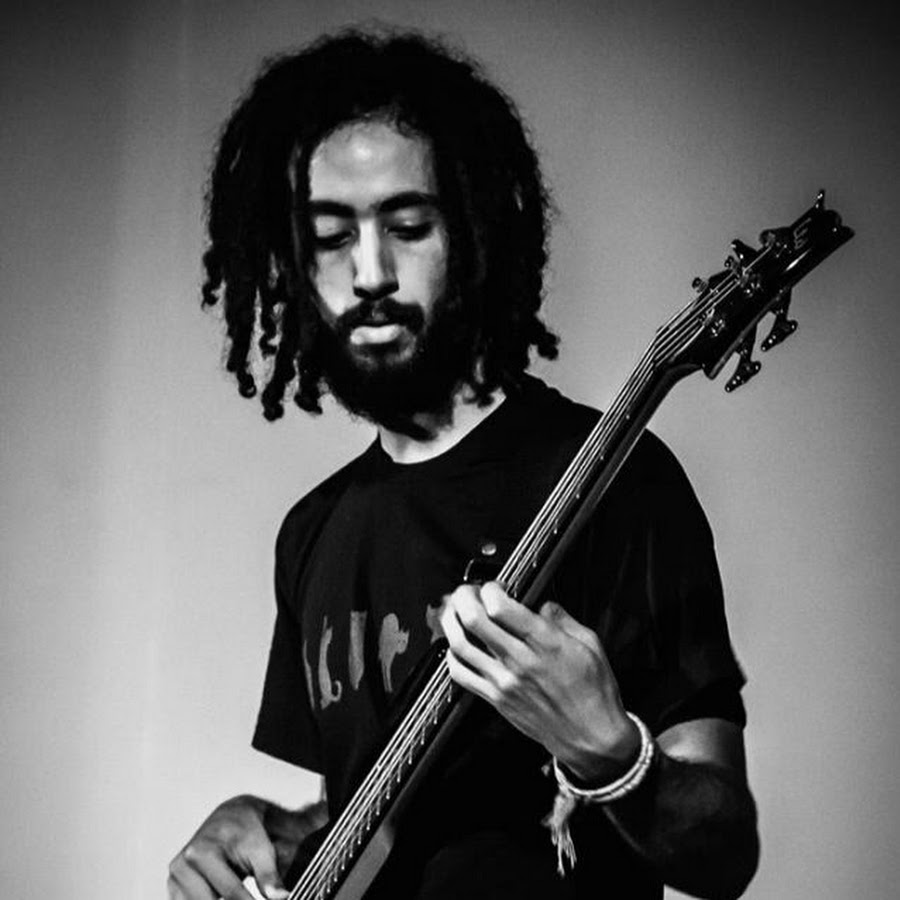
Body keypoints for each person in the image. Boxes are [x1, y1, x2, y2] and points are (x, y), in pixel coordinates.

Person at [168, 28, 759, 900]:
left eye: (409, 227)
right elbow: (375, 815)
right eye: (329, 236)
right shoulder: (313, 532)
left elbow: (723, 853)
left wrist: (609, 754)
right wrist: (265, 826)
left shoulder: (612, 479)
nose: (370, 272)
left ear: (474, 233)